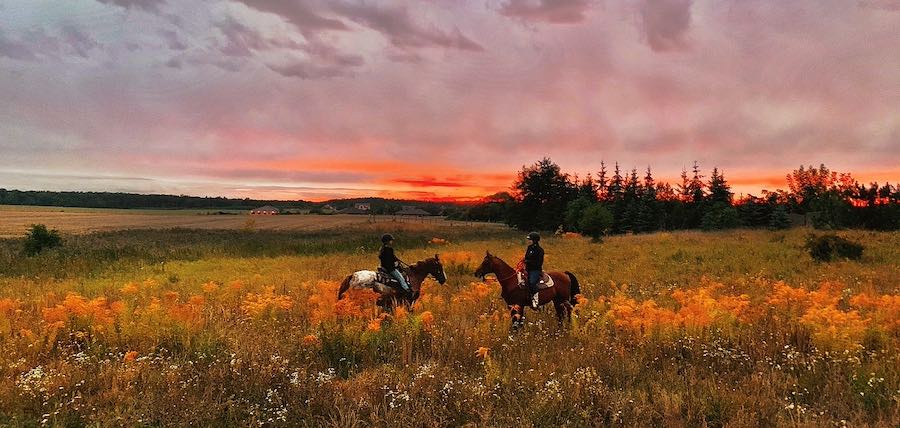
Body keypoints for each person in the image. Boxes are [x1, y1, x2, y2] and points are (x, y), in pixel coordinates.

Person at [379, 234, 412, 298]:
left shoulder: (382, 249)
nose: (392, 241)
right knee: (401, 278)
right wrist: (395, 265)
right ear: (388, 241)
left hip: (384, 267)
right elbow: (390, 260)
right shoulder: (389, 249)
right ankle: (407, 290)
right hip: (390, 268)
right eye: (391, 240)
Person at [524, 232, 544, 308]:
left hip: (535, 270)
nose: (528, 241)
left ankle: (536, 300)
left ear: (535, 240)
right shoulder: (529, 248)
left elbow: (538, 263)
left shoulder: (540, 250)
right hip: (527, 269)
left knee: (532, 282)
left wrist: (528, 262)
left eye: (530, 240)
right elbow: (526, 257)